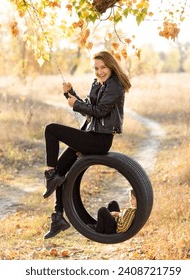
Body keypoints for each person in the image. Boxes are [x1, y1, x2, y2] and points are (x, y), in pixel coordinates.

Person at [42, 51, 132, 239]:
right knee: (62, 170)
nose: (99, 72)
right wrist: (70, 93)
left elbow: (99, 111)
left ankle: (50, 175)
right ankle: (58, 216)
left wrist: (75, 104)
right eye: (96, 68)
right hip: (90, 134)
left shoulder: (115, 85)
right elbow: (88, 109)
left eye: (103, 68)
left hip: (99, 140)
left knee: (51, 129)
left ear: (111, 66)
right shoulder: (97, 83)